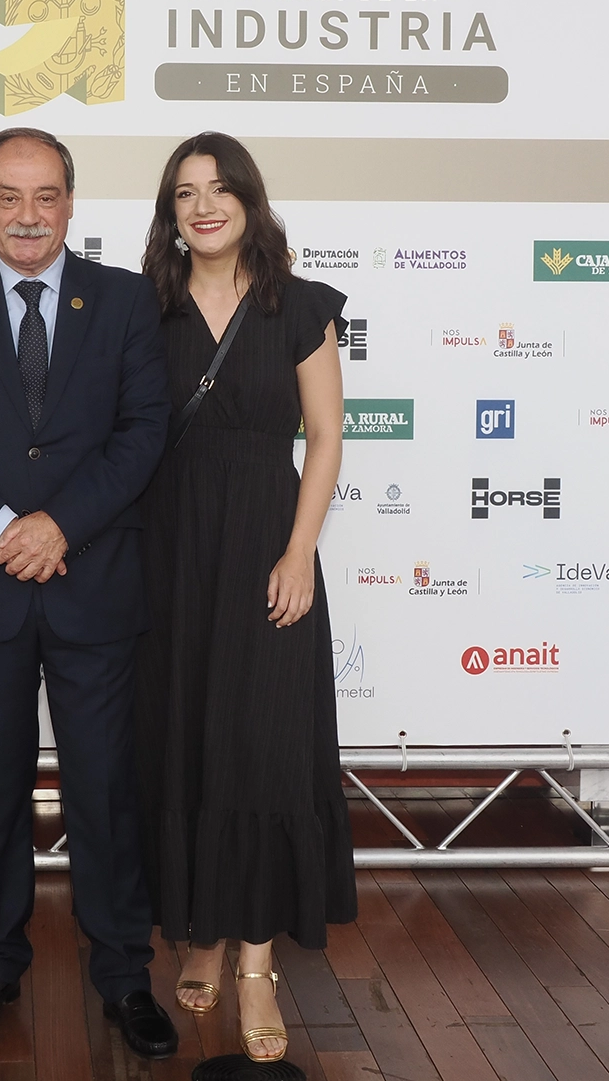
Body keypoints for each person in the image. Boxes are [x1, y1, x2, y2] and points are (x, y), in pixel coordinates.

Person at [0, 127, 178, 1059]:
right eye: (9, 195)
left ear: (71, 203)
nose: (27, 213)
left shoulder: (126, 301)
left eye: (45, 195)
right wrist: (1, 529)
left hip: (94, 585)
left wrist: (59, 526)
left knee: (103, 789)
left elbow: (144, 431)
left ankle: (125, 974)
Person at [133, 132, 358, 1065]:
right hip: (169, 552)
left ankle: (256, 963)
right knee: (185, 739)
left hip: (269, 544)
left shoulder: (298, 307)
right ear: (170, 212)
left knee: (262, 749)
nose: (204, 204)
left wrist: (300, 550)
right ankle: (205, 931)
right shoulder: (141, 308)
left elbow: (326, 436)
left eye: (220, 188)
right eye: (186, 192)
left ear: (250, 201)